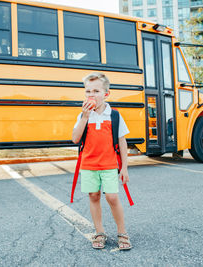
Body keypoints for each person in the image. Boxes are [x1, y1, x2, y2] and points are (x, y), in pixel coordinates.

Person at [72, 72, 132, 250]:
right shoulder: (83, 116)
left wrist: (125, 168)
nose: (91, 95)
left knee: (112, 197)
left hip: (109, 165)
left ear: (106, 94)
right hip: (89, 165)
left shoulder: (113, 115)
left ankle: (122, 232)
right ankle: (99, 232)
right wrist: (84, 117)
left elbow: (122, 142)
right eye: (87, 91)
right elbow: (75, 138)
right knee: (93, 196)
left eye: (96, 91)